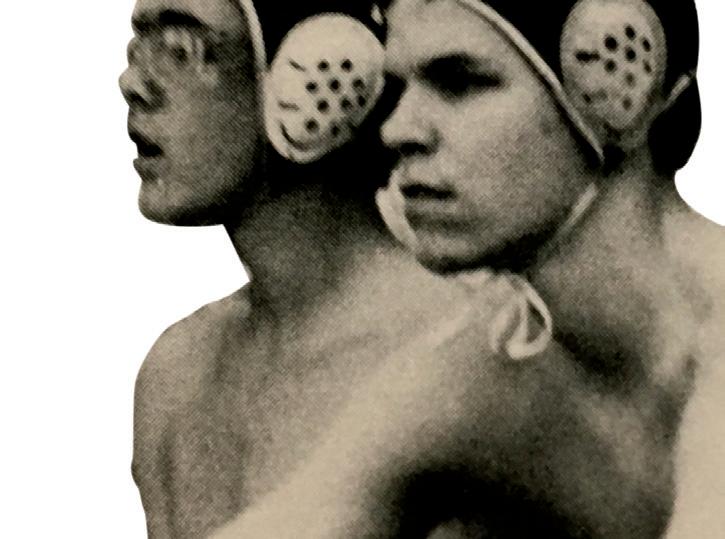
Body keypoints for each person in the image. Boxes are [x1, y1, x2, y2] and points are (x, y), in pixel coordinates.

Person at [211, 0, 719, 537]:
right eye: (398, 89)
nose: (397, 130)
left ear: (618, 92)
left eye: (460, 82)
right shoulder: (491, 368)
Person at [118, 0, 475, 537]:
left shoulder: (460, 361)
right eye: (139, 45)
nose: (134, 83)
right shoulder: (177, 378)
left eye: (185, 49)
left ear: (325, 70)